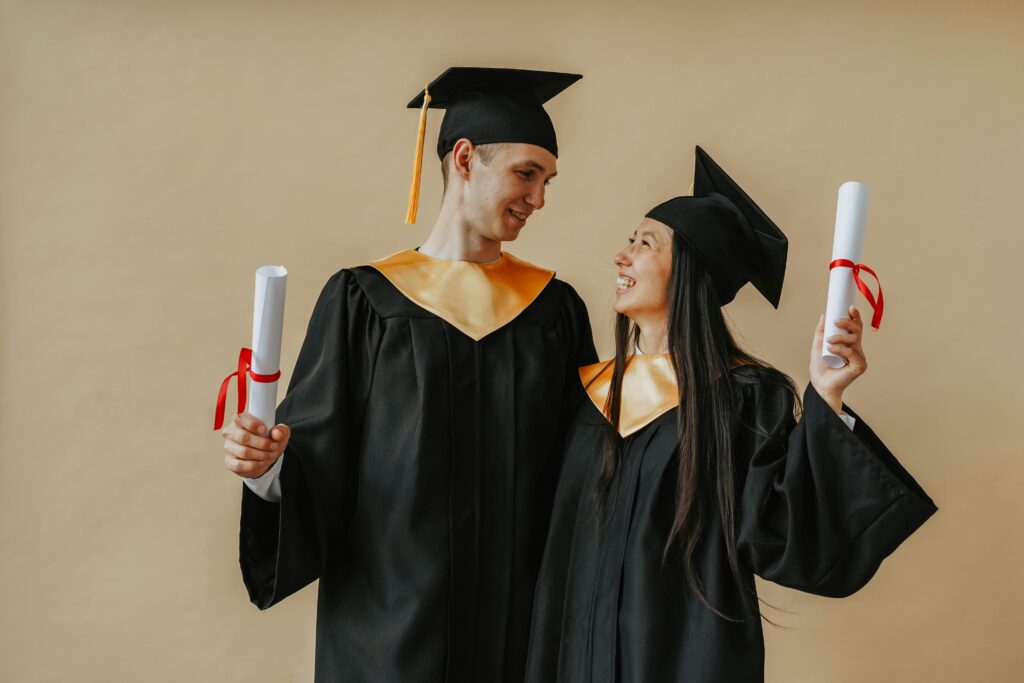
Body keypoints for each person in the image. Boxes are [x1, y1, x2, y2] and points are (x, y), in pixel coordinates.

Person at [219, 67, 597, 682]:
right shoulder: (365, 302)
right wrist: (267, 470)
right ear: (467, 159)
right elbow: (314, 456)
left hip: (520, 633)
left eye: (547, 180)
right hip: (389, 632)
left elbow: (582, 469)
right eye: (526, 174)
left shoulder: (554, 312)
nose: (539, 199)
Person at [524, 147, 937, 683]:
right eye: (630, 241)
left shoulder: (743, 396)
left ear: (690, 270)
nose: (622, 257)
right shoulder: (587, 394)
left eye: (644, 244)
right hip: (569, 656)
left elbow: (786, 532)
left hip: (683, 659)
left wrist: (827, 397)